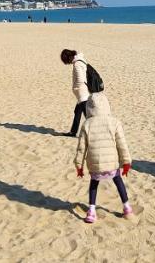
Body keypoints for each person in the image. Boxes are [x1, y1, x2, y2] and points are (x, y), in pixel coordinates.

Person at [73, 92, 134, 223]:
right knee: (118, 180)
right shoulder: (115, 122)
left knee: (94, 184)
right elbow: (122, 144)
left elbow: (81, 148)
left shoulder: (86, 124)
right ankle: (127, 207)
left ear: (89, 108)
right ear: (107, 106)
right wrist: (126, 162)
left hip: (95, 165)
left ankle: (91, 211)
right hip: (112, 164)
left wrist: (79, 166)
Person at [62, 49, 91, 137]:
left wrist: (76, 87)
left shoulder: (77, 64)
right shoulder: (81, 60)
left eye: (67, 60)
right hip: (83, 92)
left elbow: (80, 79)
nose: (68, 63)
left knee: (87, 115)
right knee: (77, 111)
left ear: (69, 57)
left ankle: (94, 133)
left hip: (82, 92)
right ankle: (73, 132)